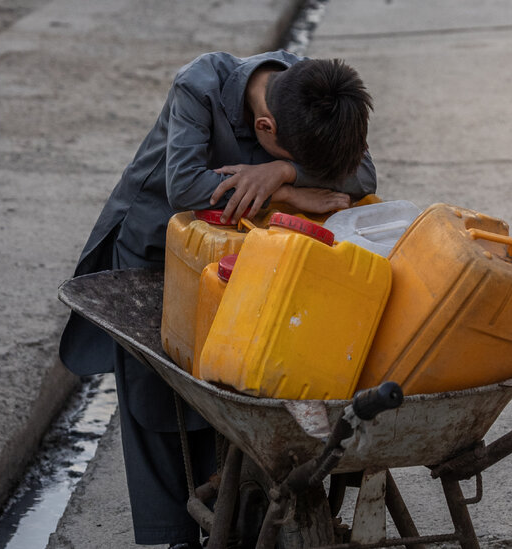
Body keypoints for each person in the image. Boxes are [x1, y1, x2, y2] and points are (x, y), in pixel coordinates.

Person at [58, 50, 376, 547]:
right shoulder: (199, 85)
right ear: (266, 128)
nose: (290, 170)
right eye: (288, 159)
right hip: (158, 250)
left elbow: (364, 176)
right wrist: (290, 196)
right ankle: (179, 534)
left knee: (235, 377)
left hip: (238, 253)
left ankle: (238, 510)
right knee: (160, 399)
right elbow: (184, 185)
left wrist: (281, 174)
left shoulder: (317, 90)